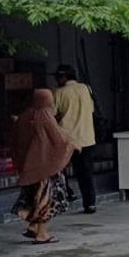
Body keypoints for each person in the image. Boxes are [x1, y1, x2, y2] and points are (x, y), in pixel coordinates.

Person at [11, 88, 75, 244]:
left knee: (35, 197)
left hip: (30, 167)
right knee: (47, 200)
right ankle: (42, 234)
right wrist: (72, 145)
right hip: (46, 166)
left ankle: (33, 227)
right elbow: (58, 139)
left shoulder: (25, 116)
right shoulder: (45, 116)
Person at [52, 64, 98, 213]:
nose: (56, 80)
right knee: (86, 174)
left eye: (58, 77)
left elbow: (52, 114)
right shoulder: (86, 89)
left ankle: (66, 195)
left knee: (59, 169)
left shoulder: (59, 92)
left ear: (64, 77)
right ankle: (90, 203)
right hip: (87, 138)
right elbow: (91, 110)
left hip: (68, 139)